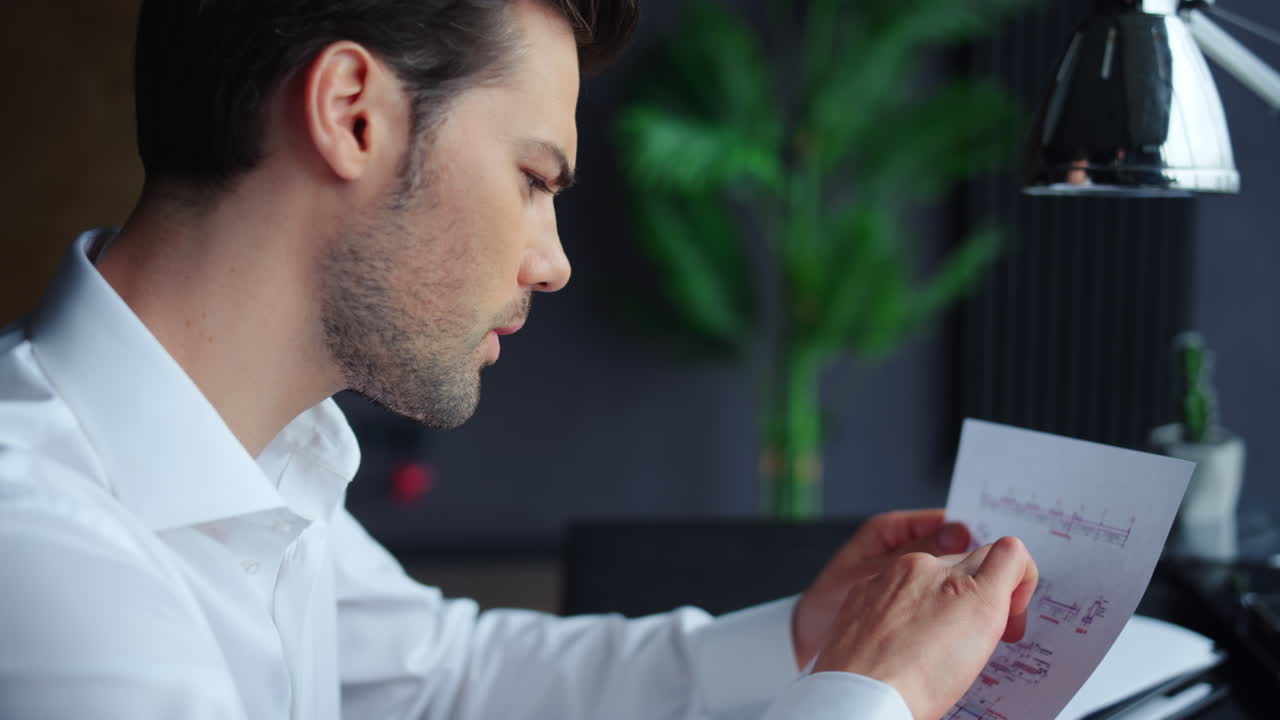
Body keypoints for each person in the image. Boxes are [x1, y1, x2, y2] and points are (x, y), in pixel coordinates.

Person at [0, 1, 1038, 718]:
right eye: (534, 179)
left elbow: (441, 680)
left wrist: (809, 640)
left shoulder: (268, 456)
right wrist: (864, 698)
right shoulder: (41, 552)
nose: (553, 263)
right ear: (352, 113)